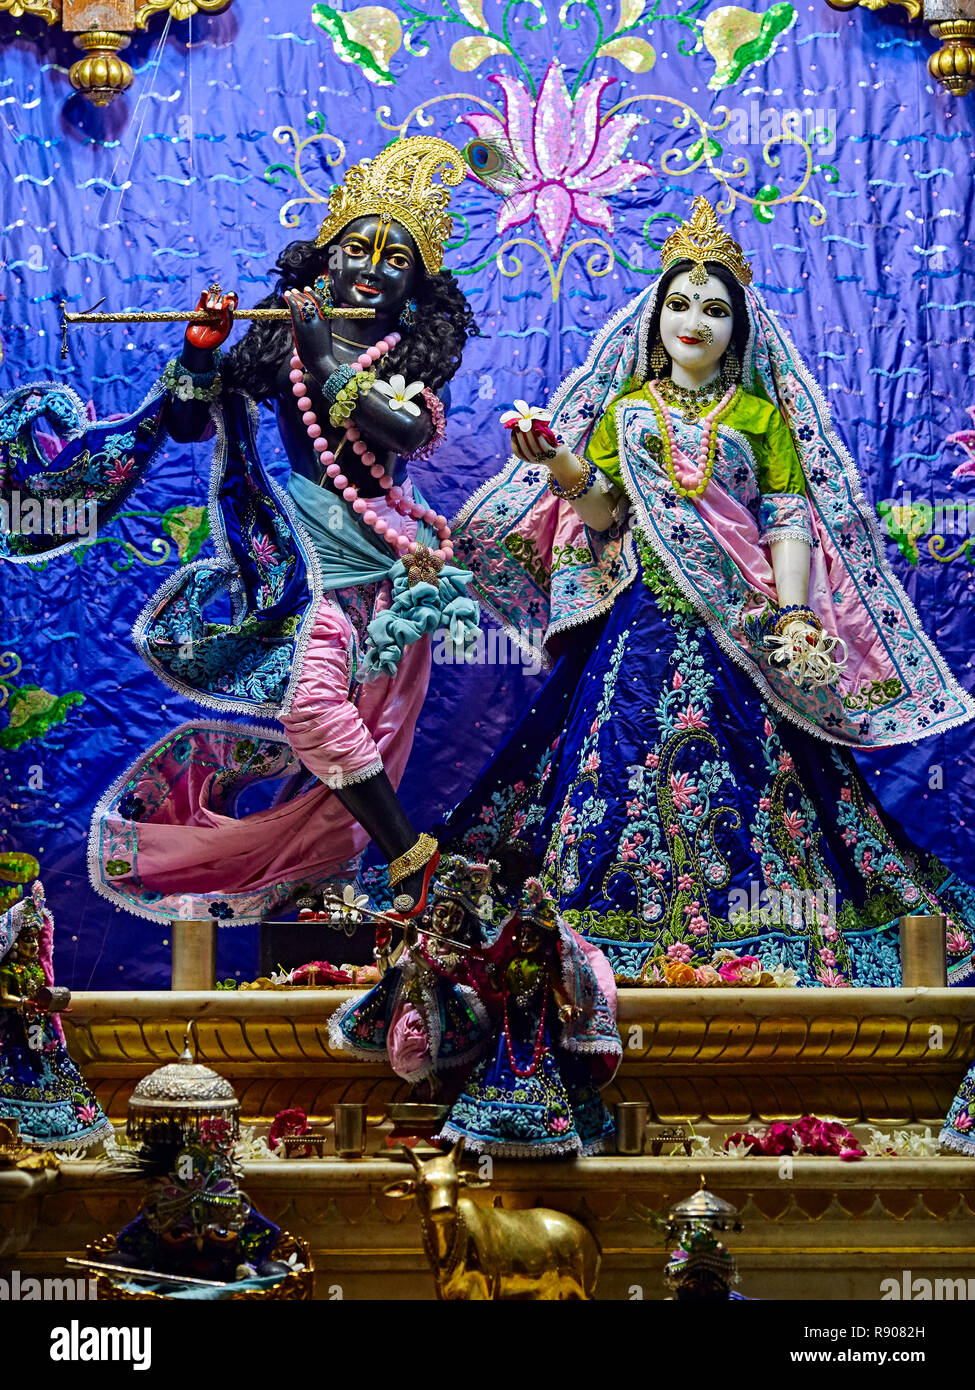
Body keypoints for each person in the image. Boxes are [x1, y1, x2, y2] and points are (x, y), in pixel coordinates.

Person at [444, 197, 975, 986]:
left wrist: (794, 616)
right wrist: (554, 461)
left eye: (714, 309)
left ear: (739, 329)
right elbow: (600, 515)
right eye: (680, 304)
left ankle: (768, 937)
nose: (693, 321)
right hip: (640, 622)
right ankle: (597, 941)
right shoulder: (624, 412)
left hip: (741, 627)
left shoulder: (760, 417)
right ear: (654, 317)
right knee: (614, 758)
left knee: (769, 778)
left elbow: (788, 520)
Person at [0, 137, 480, 930]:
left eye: (396, 257)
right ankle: (412, 858)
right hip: (303, 557)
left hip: (391, 572)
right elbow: (189, 423)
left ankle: (350, 881)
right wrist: (200, 348)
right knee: (315, 712)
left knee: (364, 732)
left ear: (416, 288)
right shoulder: (281, 342)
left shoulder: (401, 363)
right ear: (317, 263)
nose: (370, 265)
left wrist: (326, 354)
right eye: (353, 247)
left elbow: (392, 430)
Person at [436, 878, 621, 1157]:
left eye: (532, 938)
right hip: (509, 1031)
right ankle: (492, 1129)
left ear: (544, 942)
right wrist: (491, 977)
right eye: (521, 937)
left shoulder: (546, 968)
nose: (524, 942)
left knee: (553, 1072)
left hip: (540, 1031)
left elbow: (559, 992)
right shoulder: (512, 964)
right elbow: (498, 990)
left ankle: (550, 1130)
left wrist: (566, 1008)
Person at [329, 854, 497, 1087]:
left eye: (455, 918)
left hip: (439, 1016)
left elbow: (440, 969)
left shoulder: (457, 950)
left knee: (426, 1058)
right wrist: (383, 947)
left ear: (465, 925)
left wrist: (416, 949)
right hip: (405, 1010)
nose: (446, 922)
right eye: (441, 913)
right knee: (403, 1052)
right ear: (431, 913)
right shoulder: (418, 937)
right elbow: (389, 970)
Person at [0, 879, 111, 1151]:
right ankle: (18, 1134)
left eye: (36, 940)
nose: (34, 947)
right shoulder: (7, 972)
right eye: (27, 940)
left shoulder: (35, 971)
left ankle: (64, 1132)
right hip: (13, 1034)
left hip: (39, 1033)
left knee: (55, 1072)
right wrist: (23, 1003)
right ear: (14, 943)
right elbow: (2, 999)